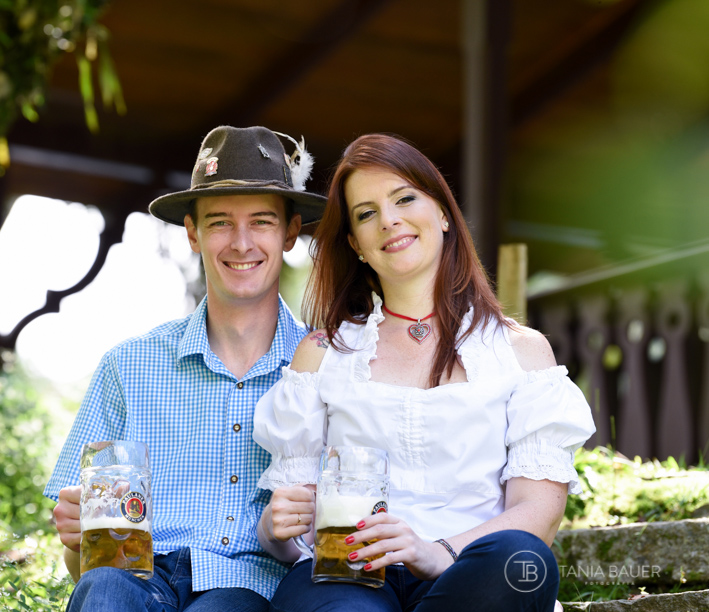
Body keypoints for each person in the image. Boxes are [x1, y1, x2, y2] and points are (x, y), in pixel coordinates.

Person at [252, 133, 596, 612]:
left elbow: (537, 511)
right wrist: (275, 532)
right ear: (356, 244)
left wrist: (438, 552)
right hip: (348, 574)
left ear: (442, 214)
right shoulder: (323, 355)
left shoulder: (520, 353)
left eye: (404, 198)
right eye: (366, 213)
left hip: (470, 573)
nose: (389, 220)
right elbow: (297, 524)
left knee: (521, 559)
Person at [44, 125, 326, 612]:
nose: (241, 244)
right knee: (104, 590)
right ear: (193, 233)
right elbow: (82, 571)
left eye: (261, 221)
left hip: (247, 588)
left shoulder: (325, 371)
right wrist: (77, 540)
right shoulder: (128, 366)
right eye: (219, 222)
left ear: (290, 233)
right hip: (136, 576)